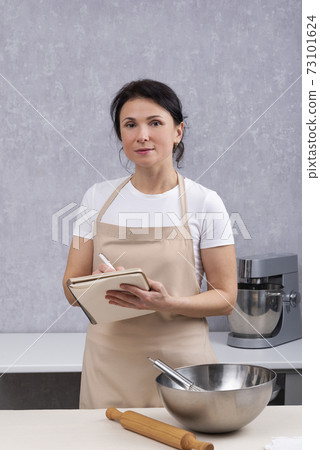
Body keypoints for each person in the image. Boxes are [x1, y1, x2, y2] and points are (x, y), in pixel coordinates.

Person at [63, 79, 237, 408]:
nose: (142, 135)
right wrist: (99, 283)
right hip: (109, 364)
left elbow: (226, 299)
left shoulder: (205, 202)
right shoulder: (95, 198)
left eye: (155, 123)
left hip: (182, 365)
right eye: (130, 125)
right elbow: (70, 290)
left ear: (178, 131)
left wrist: (168, 302)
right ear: (121, 135)